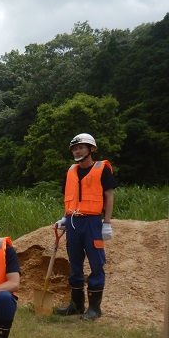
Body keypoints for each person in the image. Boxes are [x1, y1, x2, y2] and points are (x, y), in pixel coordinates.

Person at [55, 133, 117, 321]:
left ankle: (94, 309)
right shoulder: (71, 171)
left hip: (92, 222)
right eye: (74, 149)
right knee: (74, 263)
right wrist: (65, 218)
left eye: (81, 147)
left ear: (91, 149)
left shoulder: (101, 169)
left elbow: (109, 197)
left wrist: (106, 223)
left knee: (96, 264)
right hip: (73, 222)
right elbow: (70, 198)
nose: (77, 151)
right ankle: (76, 305)